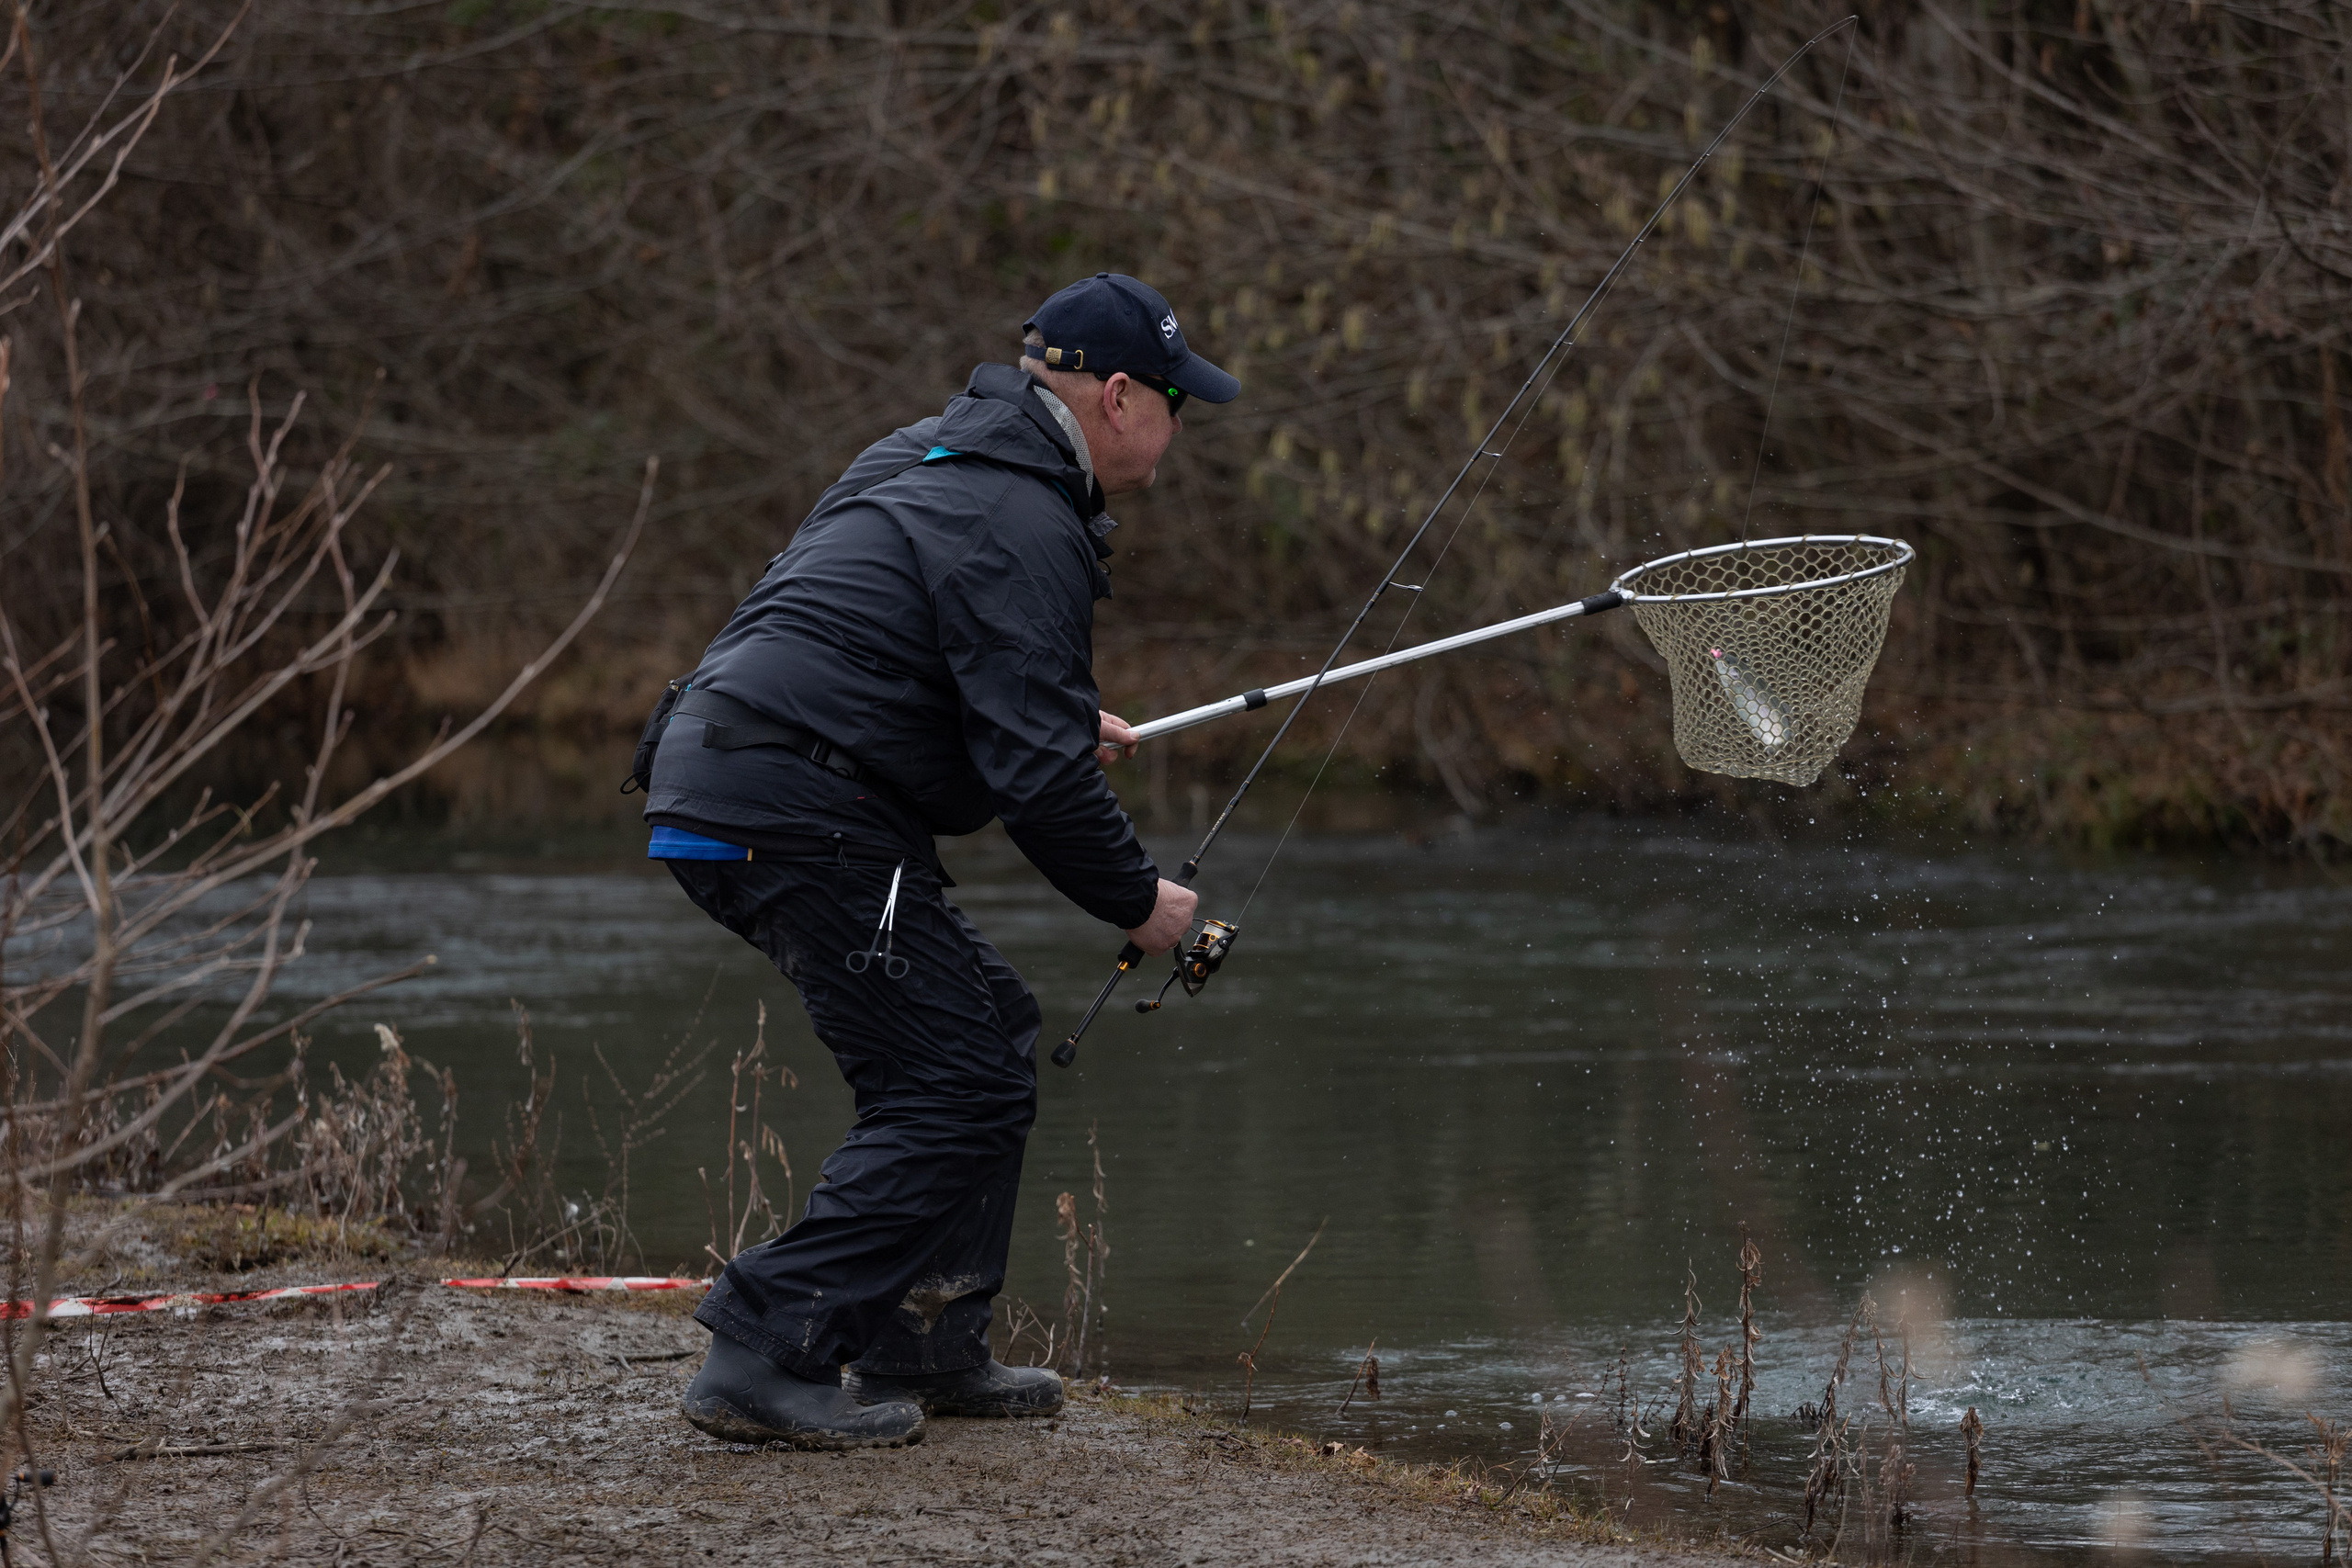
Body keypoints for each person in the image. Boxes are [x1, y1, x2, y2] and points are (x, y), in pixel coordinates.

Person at [639, 273, 1240, 1450]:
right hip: (798, 800)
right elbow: (1038, 785)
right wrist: (1138, 902)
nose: (1181, 427)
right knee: (953, 1078)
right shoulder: (1024, 519)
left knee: (980, 1030)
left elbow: (890, 652)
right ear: (1119, 398)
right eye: (1178, 402)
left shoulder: (928, 453)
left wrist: (1051, 710)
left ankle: (924, 1339)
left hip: (721, 775)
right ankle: (764, 1349)